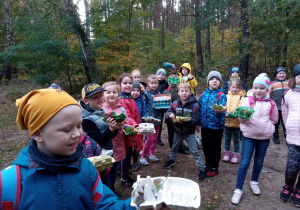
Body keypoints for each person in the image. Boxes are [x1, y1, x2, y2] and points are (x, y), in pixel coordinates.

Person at [0, 89, 132, 209]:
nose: (77, 134)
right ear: (37, 134)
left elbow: (106, 205)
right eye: (66, 129)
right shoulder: (9, 183)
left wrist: (139, 204)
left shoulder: (86, 169)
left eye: (79, 125)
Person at [231, 73, 278, 205]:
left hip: (264, 137)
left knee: (259, 161)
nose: (258, 91)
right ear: (253, 88)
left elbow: (274, 119)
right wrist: (243, 118)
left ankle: (254, 182)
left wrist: (267, 127)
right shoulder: (248, 101)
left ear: (267, 89)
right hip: (249, 136)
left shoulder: (271, 103)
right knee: (245, 162)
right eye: (256, 87)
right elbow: (242, 119)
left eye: (262, 88)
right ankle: (238, 189)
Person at [79, 83, 123, 189]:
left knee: (112, 175)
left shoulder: (101, 111)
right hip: (98, 158)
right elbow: (97, 141)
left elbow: (109, 135)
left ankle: (112, 191)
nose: (100, 99)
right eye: (95, 97)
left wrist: (116, 127)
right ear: (85, 101)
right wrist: (111, 129)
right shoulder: (85, 120)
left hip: (108, 151)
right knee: (103, 182)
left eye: (101, 95)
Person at [163, 83, 206, 181]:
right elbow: (168, 113)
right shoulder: (175, 103)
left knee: (195, 150)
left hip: (189, 132)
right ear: (178, 92)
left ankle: (202, 169)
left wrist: (186, 121)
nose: (184, 93)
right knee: (174, 147)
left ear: (190, 93)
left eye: (186, 91)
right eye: (182, 91)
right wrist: (170, 115)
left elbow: (196, 119)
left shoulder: (194, 105)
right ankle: (171, 160)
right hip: (178, 131)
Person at [102, 81, 133, 191]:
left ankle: (112, 187)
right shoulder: (101, 109)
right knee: (107, 168)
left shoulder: (121, 108)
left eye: (114, 92)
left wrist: (127, 126)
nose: (111, 94)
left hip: (119, 142)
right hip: (107, 144)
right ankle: (106, 190)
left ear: (118, 94)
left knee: (115, 166)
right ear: (103, 95)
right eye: (108, 92)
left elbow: (124, 122)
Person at [198, 70, 227, 177]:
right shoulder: (203, 94)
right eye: (212, 79)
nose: (214, 81)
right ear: (208, 82)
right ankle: (208, 163)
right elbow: (199, 108)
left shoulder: (221, 95)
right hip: (204, 125)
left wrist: (220, 110)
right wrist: (198, 122)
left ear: (220, 82)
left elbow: (223, 107)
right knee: (206, 145)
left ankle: (214, 166)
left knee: (215, 146)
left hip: (216, 126)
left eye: (217, 79)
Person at [279, 64, 300, 207]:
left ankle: (299, 190)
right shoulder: (288, 93)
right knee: (292, 167)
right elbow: (284, 114)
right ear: (294, 78)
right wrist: (288, 127)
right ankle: (288, 186)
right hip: (294, 137)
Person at [118, 73, 143, 186]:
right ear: (120, 85)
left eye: (130, 83)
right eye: (125, 83)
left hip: (132, 129)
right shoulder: (122, 100)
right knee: (126, 154)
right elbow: (126, 116)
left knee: (129, 152)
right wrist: (136, 125)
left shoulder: (129, 97)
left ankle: (123, 170)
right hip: (127, 131)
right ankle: (125, 178)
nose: (128, 85)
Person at [163, 74, 189, 154]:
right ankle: (172, 147)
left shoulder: (181, 91)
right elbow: (163, 104)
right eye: (171, 81)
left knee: (179, 132)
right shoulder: (166, 91)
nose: (173, 83)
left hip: (179, 115)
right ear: (168, 82)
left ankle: (181, 147)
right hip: (170, 116)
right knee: (171, 133)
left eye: (175, 81)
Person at [140, 75, 162, 165]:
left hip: (158, 119)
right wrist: (145, 116)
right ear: (148, 84)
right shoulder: (146, 95)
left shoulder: (160, 94)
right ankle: (143, 156)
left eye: (155, 83)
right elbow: (143, 107)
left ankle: (152, 154)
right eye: (152, 83)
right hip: (149, 120)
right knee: (149, 139)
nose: (154, 85)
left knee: (155, 139)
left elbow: (163, 106)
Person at [223, 79, 246, 164]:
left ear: (240, 88)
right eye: (233, 87)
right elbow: (223, 105)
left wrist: (236, 114)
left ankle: (235, 155)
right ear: (230, 87)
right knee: (227, 138)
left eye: (237, 87)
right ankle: (227, 153)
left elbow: (242, 108)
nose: (234, 89)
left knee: (236, 139)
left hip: (236, 123)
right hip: (226, 122)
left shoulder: (242, 97)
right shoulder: (226, 96)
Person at [269, 67, 288, 144]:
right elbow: (268, 95)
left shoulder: (289, 83)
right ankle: (275, 136)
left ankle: (287, 137)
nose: (282, 75)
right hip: (275, 107)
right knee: (276, 122)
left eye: (283, 73)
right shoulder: (272, 84)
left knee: (285, 122)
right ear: (276, 75)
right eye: (280, 73)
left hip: (286, 107)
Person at [131, 81, 147, 169]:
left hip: (139, 125)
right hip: (129, 126)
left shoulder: (141, 100)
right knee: (130, 145)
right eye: (133, 90)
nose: (135, 92)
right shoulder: (127, 100)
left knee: (138, 144)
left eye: (137, 90)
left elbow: (144, 111)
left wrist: (146, 118)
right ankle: (127, 162)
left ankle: (135, 161)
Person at [156, 68, 169, 146]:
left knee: (160, 122)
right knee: (151, 121)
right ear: (156, 75)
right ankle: (148, 137)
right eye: (159, 74)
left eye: (163, 75)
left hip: (162, 105)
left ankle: (158, 138)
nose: (161, 76)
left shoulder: (166, 84)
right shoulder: (153, 82)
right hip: (153, 105)